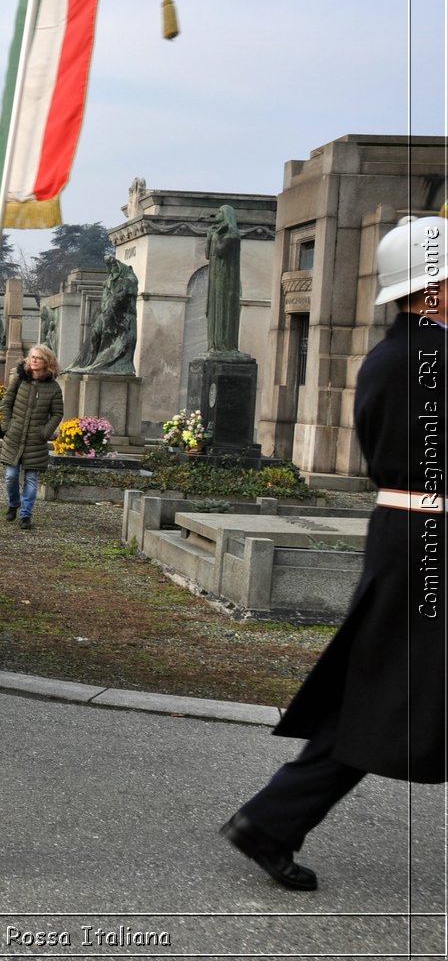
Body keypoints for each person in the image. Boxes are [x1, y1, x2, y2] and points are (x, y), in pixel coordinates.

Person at [221, 215, 446, 891]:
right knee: (385, 694)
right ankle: (272, 817)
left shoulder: (390, 355)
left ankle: (273, 817)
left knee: (383, 691)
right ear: (433, 285)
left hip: (406, 536)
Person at [0, 344, 63, 531]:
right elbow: (6, 403)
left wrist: (45, 432)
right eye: (32, 357)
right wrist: (7, 425)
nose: (33, 360)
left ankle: (26, 515)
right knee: (11, 476)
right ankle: (14, 503)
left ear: (47, 362)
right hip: (15, 436)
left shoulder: (54, 388)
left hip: (36, 440)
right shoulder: (19, 380)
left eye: (38, 358)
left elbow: (57, 413)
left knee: (32, 480)